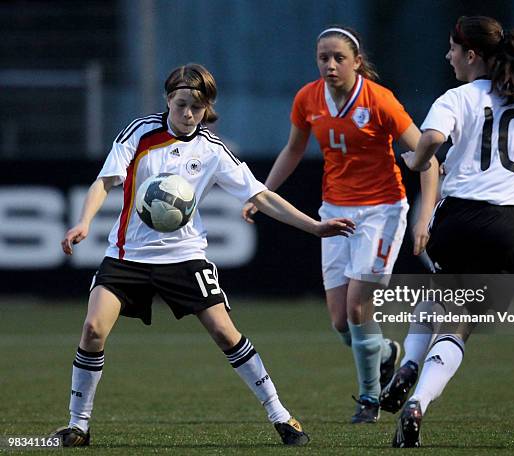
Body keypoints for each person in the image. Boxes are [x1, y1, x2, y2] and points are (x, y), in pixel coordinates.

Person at [51, 63, 355, 447]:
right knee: (93, 329)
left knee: (225, 332)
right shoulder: (140, 133)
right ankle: (79, 425)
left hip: (185, 256)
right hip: (127, 255)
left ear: (207, 106)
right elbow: (104, 181)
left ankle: (281, 416)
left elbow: (261, 196)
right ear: (168, 100)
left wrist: (313, 226)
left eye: (197, 106)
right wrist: (84, 222)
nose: (188, 114)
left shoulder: (213, 151)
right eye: (181, 105)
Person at [241, 26, 439, 423]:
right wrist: (261, 194)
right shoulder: (308, 98)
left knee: (357, 305)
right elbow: (294, 149)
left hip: (382, 210)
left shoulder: (380, 101)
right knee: (339, 321)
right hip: (334, 211)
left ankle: (369, 400)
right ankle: (383, 353)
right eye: (323, 58)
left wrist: (424, 216)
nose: (329, 65)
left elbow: (427, 158)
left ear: (357, 62)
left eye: (338, 58)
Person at [380, 16, 514, 447]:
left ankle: (411, 369)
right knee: (458, 318)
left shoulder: (457, 97)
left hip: (462, 216)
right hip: (512, 224)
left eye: (453, 49)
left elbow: (432, 139)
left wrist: (416, 162)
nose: (448, 56)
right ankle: (418, 395)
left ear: (471, 54)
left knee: (442, 297)